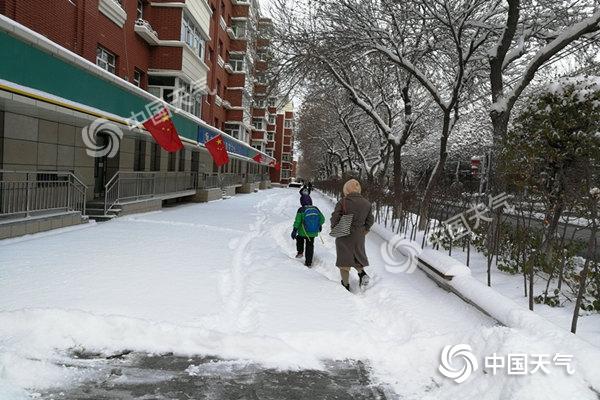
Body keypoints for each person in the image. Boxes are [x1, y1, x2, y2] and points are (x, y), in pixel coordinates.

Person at [330, 179, 374, 291]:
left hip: (344, 234)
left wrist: (334, 227)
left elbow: (335, 217)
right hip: (359, 235)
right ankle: (362, 273)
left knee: (344, 260)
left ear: (346, 189)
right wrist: (364, 230)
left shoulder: (343, 202)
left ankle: (345, 285)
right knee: (357, 256)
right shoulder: (367, 203)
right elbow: (370, 220)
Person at [291, 195, 325, 267]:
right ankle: (308, 263)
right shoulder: (316, 208)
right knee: (310, 245)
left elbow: (297, 221)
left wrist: (294, 230)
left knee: (299, 238)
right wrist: (319, 225)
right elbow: (322, 219)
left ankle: (300, 252)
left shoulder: (301, 209)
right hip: (313, 232)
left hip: (302, 231)